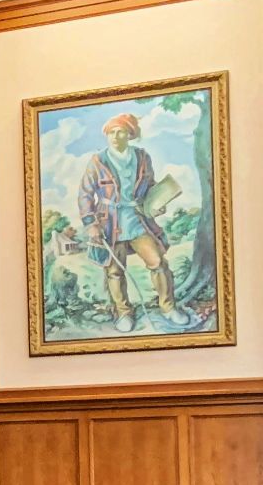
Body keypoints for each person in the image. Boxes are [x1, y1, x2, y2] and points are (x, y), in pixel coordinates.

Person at [76, 112, 191, 332]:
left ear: (130, 134)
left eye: (121, 132)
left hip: (138, 220)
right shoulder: (98, 161)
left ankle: (168, 308)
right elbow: (85, 194)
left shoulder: (142, 157)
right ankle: (124, 313)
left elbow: (151, 186)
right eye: (111, 132)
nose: (116, 136)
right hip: (110, 223)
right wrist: (91, 224)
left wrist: (157, 202)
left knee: (158, 262)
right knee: (114, 271)